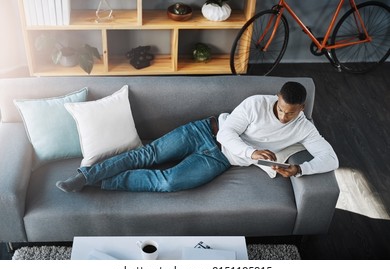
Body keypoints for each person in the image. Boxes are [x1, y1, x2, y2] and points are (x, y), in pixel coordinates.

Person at [56, 81, 338, 193]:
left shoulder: (304, 127)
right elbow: (228, 132)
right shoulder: (256, 104)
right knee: (148, 154)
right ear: (276, 98)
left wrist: (301, 168)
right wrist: (252, 153)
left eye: (291, 113)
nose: (284, 116)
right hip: (205, 131)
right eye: (281, 109)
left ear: (302, 108)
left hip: (220, 159)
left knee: (169, 182)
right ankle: (85, 176)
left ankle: (101, 183)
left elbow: (331, 158)